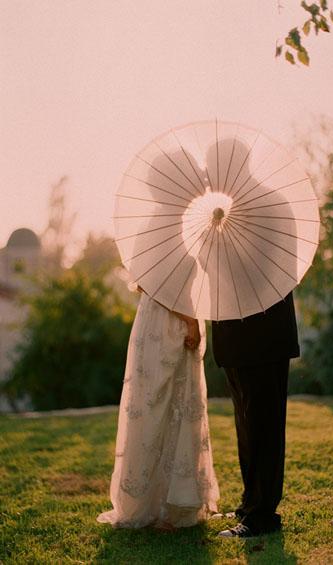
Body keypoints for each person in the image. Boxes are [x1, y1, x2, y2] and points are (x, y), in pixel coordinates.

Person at [97, 151, 219, 531]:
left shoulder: (162, 223)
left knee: (167, 407)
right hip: (169, 325)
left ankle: (164, 499)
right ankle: (163, 505)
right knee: (164, 405)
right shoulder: (165, 224)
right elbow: (162, 285)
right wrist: (191, 323)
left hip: (157, 323)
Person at [206, 138, 300, 538]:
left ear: (231, 167)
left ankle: (263, 515)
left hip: (261, 331)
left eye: (213, 168)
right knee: (247, 422)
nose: (210, 178)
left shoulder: (265, 207)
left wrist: (215, 243)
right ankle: (250, 504)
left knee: (262, 423)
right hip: (239, 333)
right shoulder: (230, 213)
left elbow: (275, 267)